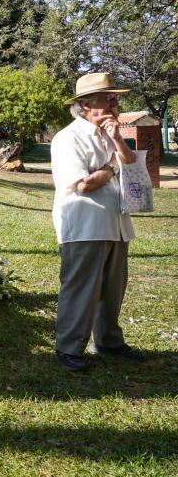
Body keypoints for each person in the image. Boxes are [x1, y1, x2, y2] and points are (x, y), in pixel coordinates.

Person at [51, 72, 143, 372]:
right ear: (86, 104)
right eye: (109, 97)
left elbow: (129, 162)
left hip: (116, 222)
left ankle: (109, 341)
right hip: (84, 225)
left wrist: (116, 139)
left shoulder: (110, 134)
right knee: (81, 288)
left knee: (113, 288)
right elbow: (84, 185)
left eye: (116, 97)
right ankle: (68, 348)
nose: (116, 102)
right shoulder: (68, 138)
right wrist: (112, 167)